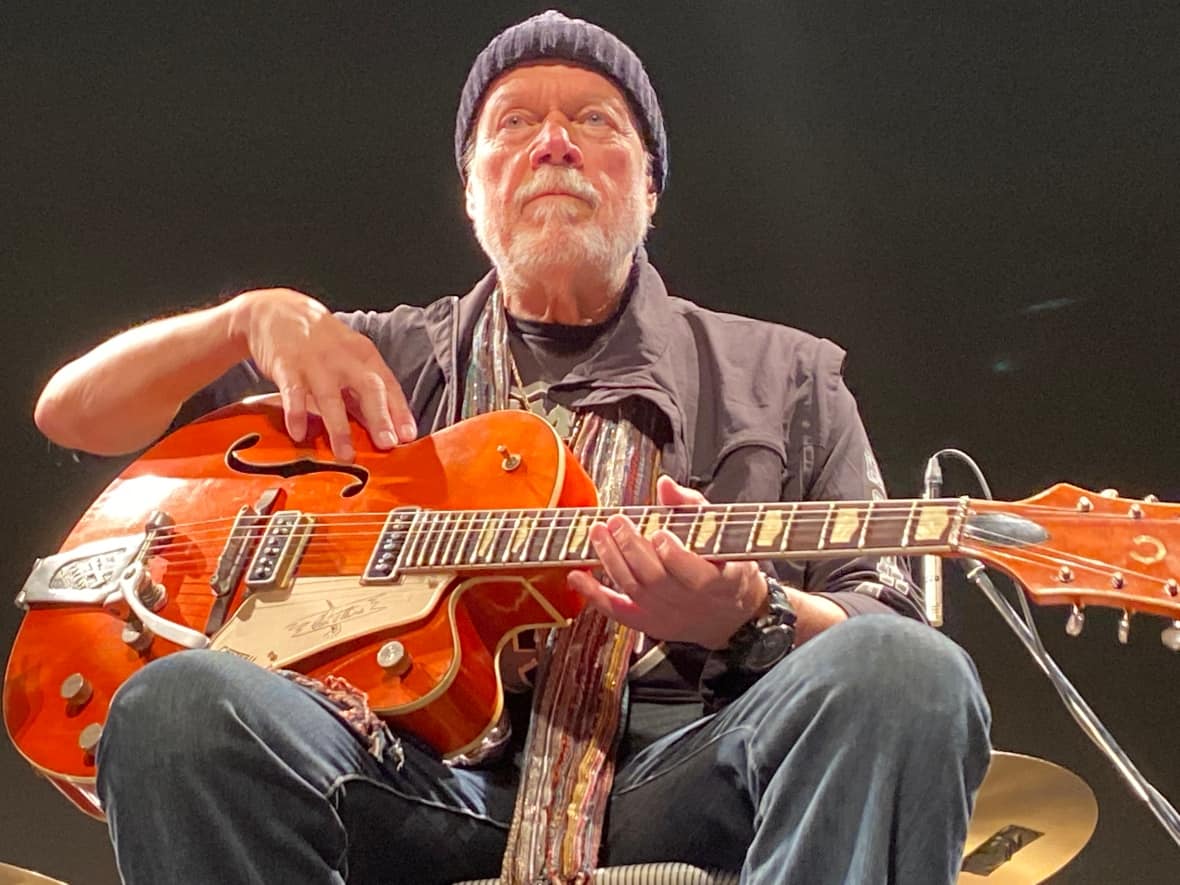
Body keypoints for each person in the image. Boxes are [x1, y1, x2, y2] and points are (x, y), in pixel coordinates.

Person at [33, 11, 990, 885]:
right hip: (415, 780)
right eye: (513, 123)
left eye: (597, 122)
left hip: (684, 775)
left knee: (907, 673)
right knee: (175, 707)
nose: (554, 142)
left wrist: (753, 610)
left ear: (650, 188)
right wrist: (247, 321)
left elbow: (883, 622)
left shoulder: (785, 378)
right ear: (472, 194)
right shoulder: (370, 361)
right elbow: (71, 413)